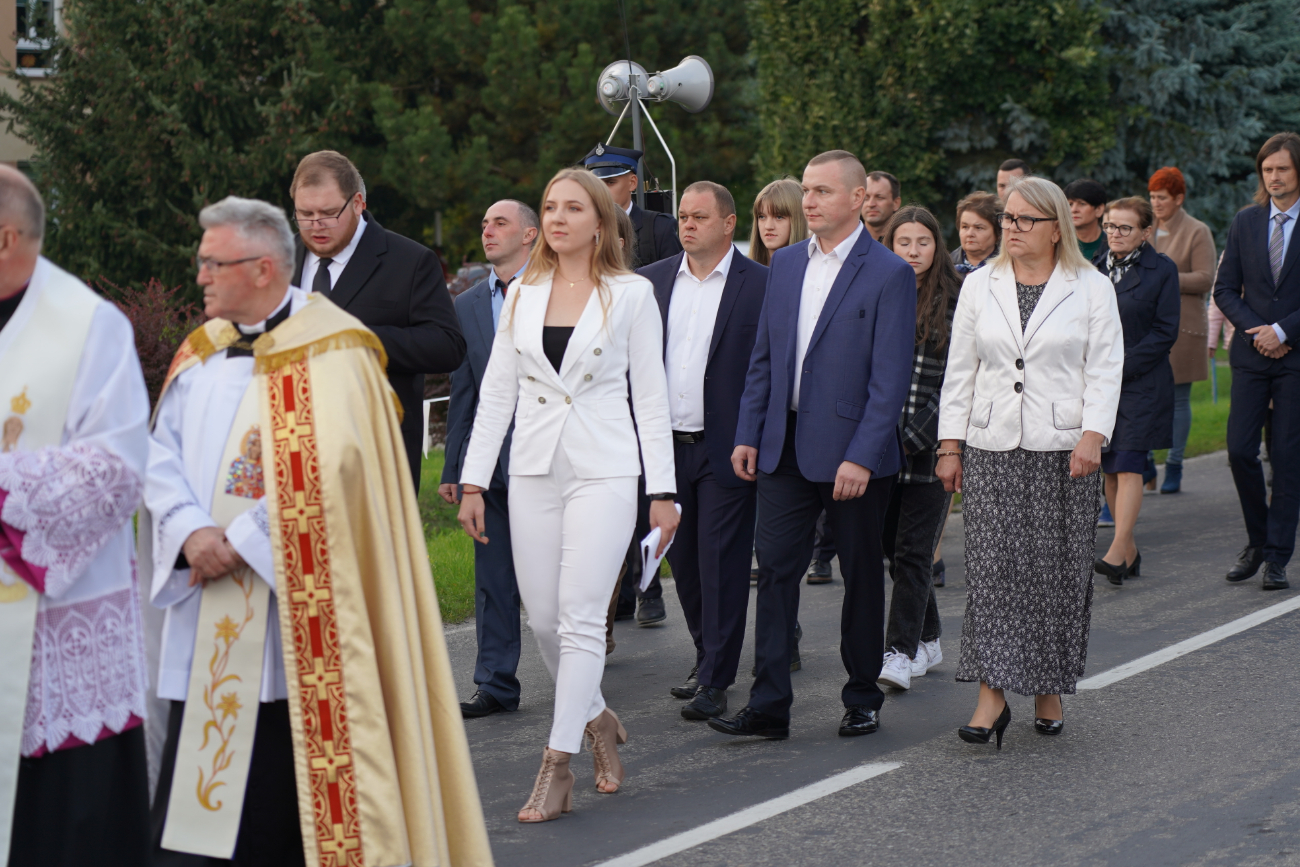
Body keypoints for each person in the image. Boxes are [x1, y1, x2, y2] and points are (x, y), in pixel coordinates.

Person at [146, 197, 491, 865]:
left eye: (214, 263)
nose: (201, 276)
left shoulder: (337, 351)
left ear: (263, 268)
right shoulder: (200, 351)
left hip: (303, 626)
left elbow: (339, 471)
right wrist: (191, 532)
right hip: (204, 597)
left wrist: (239, 543)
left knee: (290, 805)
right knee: (198, 815)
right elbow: (159, 455)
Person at [457, 168, 678, 822]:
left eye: (573, 207)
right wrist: (473, 480)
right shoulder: (522, 293)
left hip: (605, 468)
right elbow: (497, 394)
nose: (557, 217)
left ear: (600, 222)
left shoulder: (632, 294)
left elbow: (653, 399)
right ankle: (597, 716)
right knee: (546, 620)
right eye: (550, 206)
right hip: (532, 469)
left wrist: (663, 492)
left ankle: (557, 764)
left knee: (581, 616)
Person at [709, 149, 916, 741]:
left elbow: (890, 379)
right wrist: (749, 432)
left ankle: (862, 697)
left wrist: (862, 455)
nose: (809, 201)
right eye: (806, 189)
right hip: (782, 448)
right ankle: (769, 705)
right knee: (775, 574)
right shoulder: (785, 263)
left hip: (854, 455)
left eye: (822, 190)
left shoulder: (890, 273)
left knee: (860, 577)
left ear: (858, 198)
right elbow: (764, 358)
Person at [0, 166, 152, 865]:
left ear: (7, 238)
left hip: (57, 631)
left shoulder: (89, 326)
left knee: (63, 832)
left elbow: (115, 470)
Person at [937, 177, 1122, 747]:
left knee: (1053, 575)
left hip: (1063, 451)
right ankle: (991, 695)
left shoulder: (1091, 287)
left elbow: (1105, 367)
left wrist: (1093, 435)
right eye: (1008, 218)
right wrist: (949, 445)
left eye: (1024, 220)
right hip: (991, 446)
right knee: (993, 573)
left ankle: (1048, 687)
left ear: (1054, 228)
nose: (1011, 228)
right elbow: (961, 369)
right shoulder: (979, 284)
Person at [635, 181, 767, 721]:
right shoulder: (651, 282)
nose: (687, 225)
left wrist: (754, 435)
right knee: (684, 564)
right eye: (683, 216)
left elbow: (766, 369)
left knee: (720, 564)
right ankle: (705, 656)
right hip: (664, 448)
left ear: (729, 223)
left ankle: (716, 678)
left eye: (699, 217)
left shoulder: (759, 284)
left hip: (726, 448)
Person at [289, 150, 466, 492]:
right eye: (304, 214)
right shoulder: (279, 258)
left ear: (357, 203)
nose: (316, 225)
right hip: (291, 453)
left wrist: (360, 339)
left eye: (328, 213)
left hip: (375, 459)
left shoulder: (410, 261)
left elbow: (448, 346)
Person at [441, 200, 539, 719]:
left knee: (557, 582)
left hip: (549, 459)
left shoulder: (558, 289)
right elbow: (466, 390)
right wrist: (456, 469)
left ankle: (581, 684)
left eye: (500, 222)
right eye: (483, 223)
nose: (488, 230)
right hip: (491, 462)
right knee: (493, 576)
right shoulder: (469, 304)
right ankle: (496, 683)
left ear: (530, 234)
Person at [875, 205, 962, 691]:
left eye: (922, 242)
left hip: (932, 446)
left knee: (913, 551)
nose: (913, 251)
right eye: (903, 242)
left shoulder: (957, 298)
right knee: (892, 547)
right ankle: (928, 636)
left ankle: (899, 652)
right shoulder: (880, 291)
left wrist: (914, 437)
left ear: (937, 246)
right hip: (881, 446)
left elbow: (958, 381)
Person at [1214, 131, 1300, 592]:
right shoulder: (1245, 221)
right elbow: (1225, 288)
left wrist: (1282, 332)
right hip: (1252, 356)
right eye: (1267, 170)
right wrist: (1260, 332)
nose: (1274, 177)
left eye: (1282, 168)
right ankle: (1258, 541)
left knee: (1286, 457)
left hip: (1295, 358)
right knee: (1239, 450)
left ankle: (1278, 556)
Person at [1091, 197, 1180, 585]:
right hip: (1100, 386)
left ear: (1145, 232)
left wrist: (1118, 367)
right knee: (1110, 469)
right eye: (1110, 226)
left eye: (1125, 228)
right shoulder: (1093, 268)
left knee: (1128, 463)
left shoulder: (1162, 270)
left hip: (1141, 382)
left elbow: (1165, 331)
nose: (1115, 234)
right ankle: (1129, 552)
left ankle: (1116, 550)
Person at [1150, 166, 1218, 494]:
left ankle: (1175, 464)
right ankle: (1144, 462)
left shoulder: (1197, 231)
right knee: (1144, 398)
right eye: (1152, 197)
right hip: (1146, 327)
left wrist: (1163, 277)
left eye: (1162, 197)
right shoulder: (1144, 227)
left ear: (1179, 198)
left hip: (1183, 328)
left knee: (1178, 399)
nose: (1155, 203)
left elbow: (1205, 278)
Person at [583, 143, 682, 268]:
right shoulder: (582, 229)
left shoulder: (659, 228)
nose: (602, 191)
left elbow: (674, 276)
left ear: (632, 183)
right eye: (597, 184)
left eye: (610, 182)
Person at [748, 178, 808, 267]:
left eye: (779, 217)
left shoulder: (814, 273)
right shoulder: (745, 272)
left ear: (798, 220)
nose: (768, 226)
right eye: (762, 217)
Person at [952, 191, 1002, 276]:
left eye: (979, 228)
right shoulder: (944, 266)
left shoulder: (1011, 267)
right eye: (965, 227)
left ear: (998, 233)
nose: (969, 234)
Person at [1065, 178, 1108, 261]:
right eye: (1070, 204)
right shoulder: (1058, 245)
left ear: (1099, 209)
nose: (1074, 210)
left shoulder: (1114, 248)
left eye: (1082, 204)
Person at [862, 171, 901, 242]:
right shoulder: (846, 242)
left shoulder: (906, 243)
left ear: (896, 203)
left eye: (879, 197)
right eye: (866, 198)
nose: (871, 204)